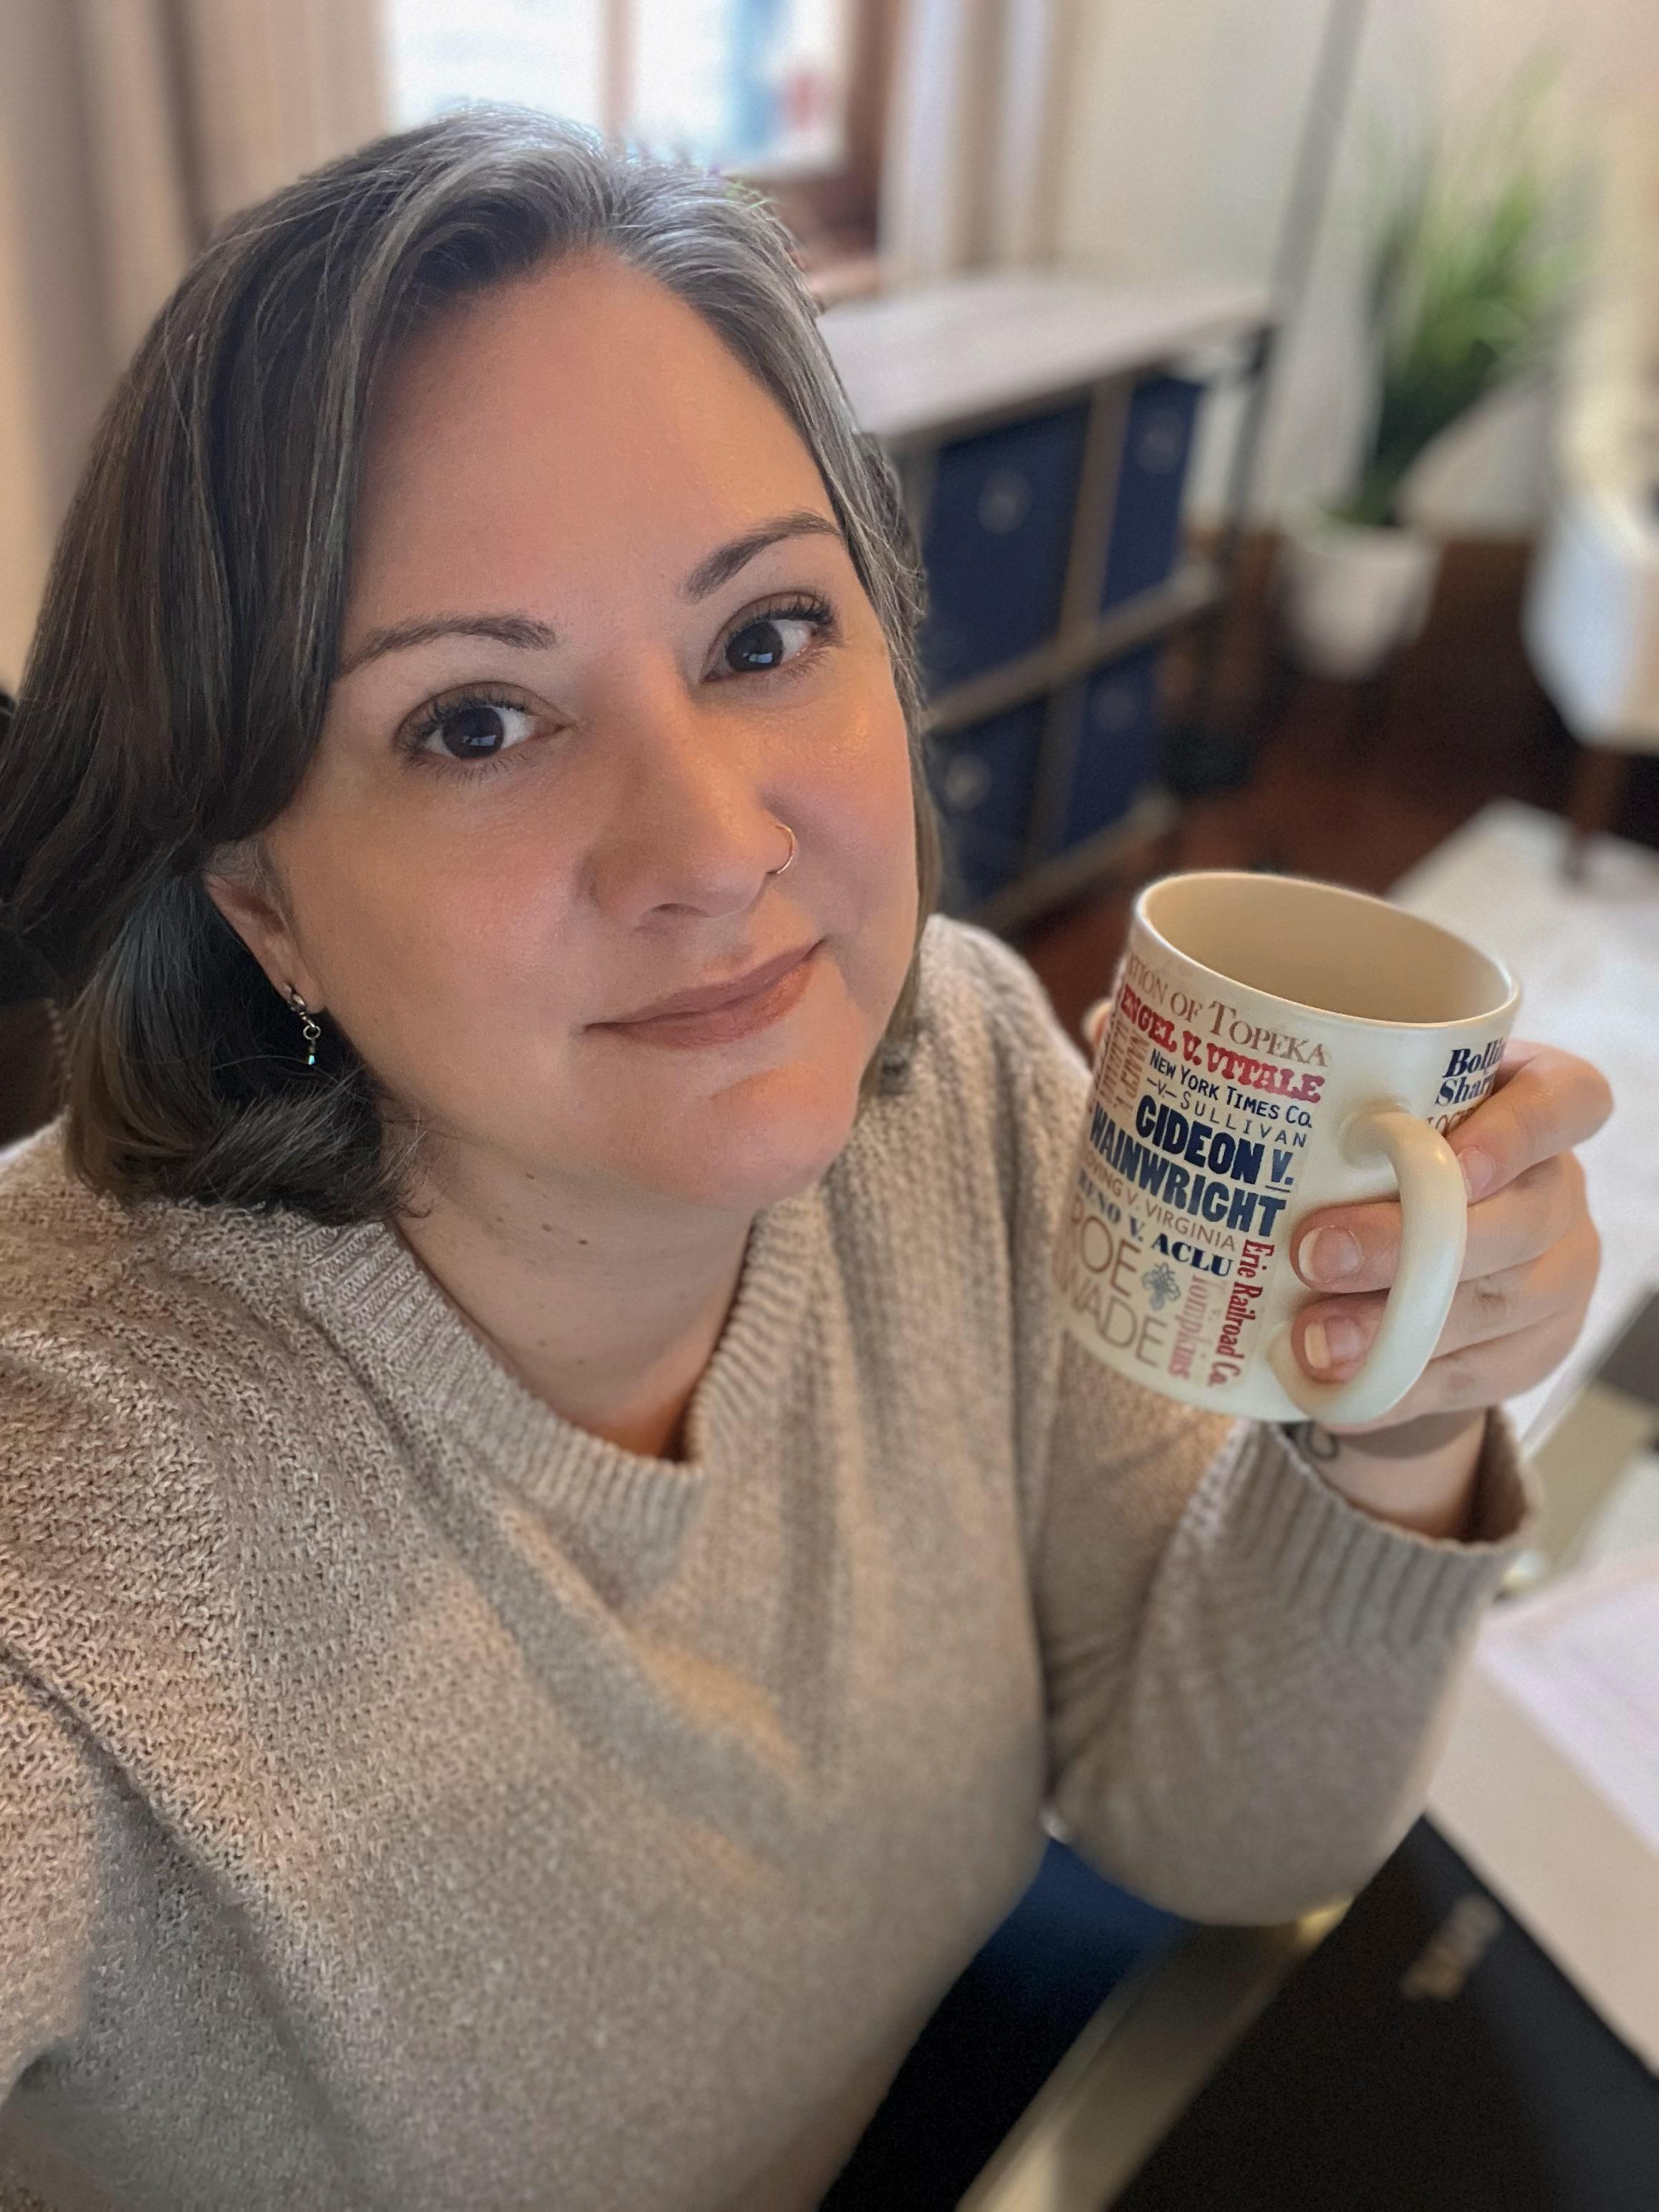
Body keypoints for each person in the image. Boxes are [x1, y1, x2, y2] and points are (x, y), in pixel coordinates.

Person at [0, 107, 1610, 2212]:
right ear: (258, 903)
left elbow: (1223, 1831)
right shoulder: (67, 1510)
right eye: (474, 721)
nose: (714, 849)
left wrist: (1390, 1416)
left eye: (762, 636)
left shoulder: (964, 1077)